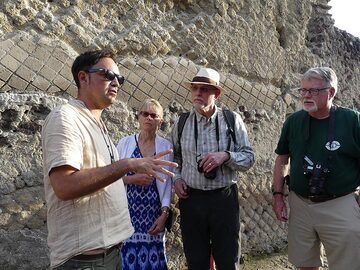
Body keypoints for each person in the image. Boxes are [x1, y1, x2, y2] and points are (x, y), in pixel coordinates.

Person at [42, 50, 177, 270]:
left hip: (111, 253)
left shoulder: (99, 124)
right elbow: (64, 186)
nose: (115, 82)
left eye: (119, 78)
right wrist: (128, 165)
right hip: (86, 259)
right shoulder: (65, 117)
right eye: (107, 74)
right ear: (83, 77)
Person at [272, 67, 360, 270]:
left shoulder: (353, 121)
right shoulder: (293, 121)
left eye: (313, 91)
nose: (306, 96)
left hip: (340, 202)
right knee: (305, 263)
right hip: (300, 202)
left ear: (331, 92)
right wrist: (278, 195)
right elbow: (282, 159)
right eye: (303, 90)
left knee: (349, 264)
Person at [171, 67, 255, 270]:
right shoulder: (181, 122)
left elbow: (249, 158)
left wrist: (225, 156)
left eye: (204, 89)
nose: (198, 93)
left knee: (227, 259)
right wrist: (177, 178)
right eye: (195, 89)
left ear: (216, 94)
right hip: (192, 200)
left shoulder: (231, 120)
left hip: (223, 199)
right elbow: (175, 157)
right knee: (196, 260)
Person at [116, 99, 172, 270]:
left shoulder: (165, 146)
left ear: (160, 121)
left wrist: (164, 215)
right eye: (145, 114)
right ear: (138, 117)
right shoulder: (124, 144)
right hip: (128, 214)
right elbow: (111, 178)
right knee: (127, 261)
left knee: (154, 261)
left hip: (153, 216)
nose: (149, 118)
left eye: (154, 115)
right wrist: (132, 179)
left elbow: (168, 185)